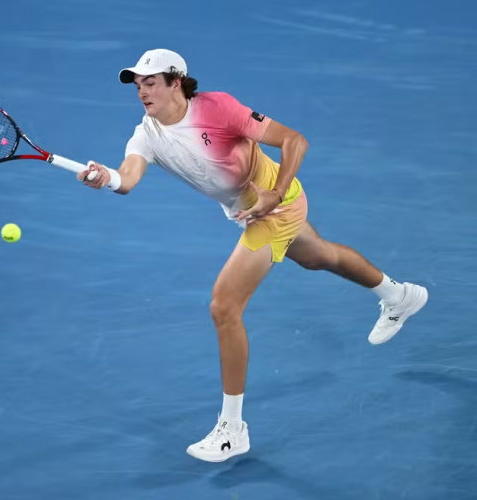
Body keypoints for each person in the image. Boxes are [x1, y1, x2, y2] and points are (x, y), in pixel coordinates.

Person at [77, 49, 429, 463]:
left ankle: (232, 430)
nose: (142, 92)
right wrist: (104, 178)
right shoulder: (147, 134)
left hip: (275, 206)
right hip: (247, 211)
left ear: (176, 82)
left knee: (224, 306)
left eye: (150, 82)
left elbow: (294, 140)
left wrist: (275, 194)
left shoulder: (218, 108)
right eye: (138, 85)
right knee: (319, 257)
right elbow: (127, 178)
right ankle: (399, 296)